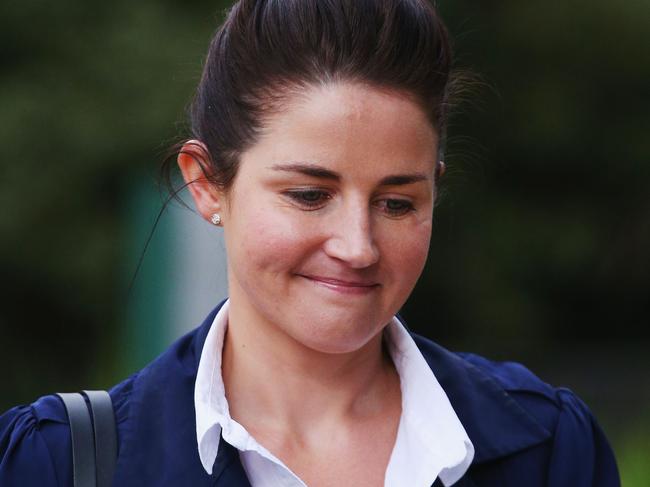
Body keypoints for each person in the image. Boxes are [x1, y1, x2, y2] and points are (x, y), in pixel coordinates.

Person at [0, 0, 620, 486]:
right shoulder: (56, 465)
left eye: (397, 203)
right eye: (308, 195)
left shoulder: (548, 449)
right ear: (208, 184)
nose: (358, 246)